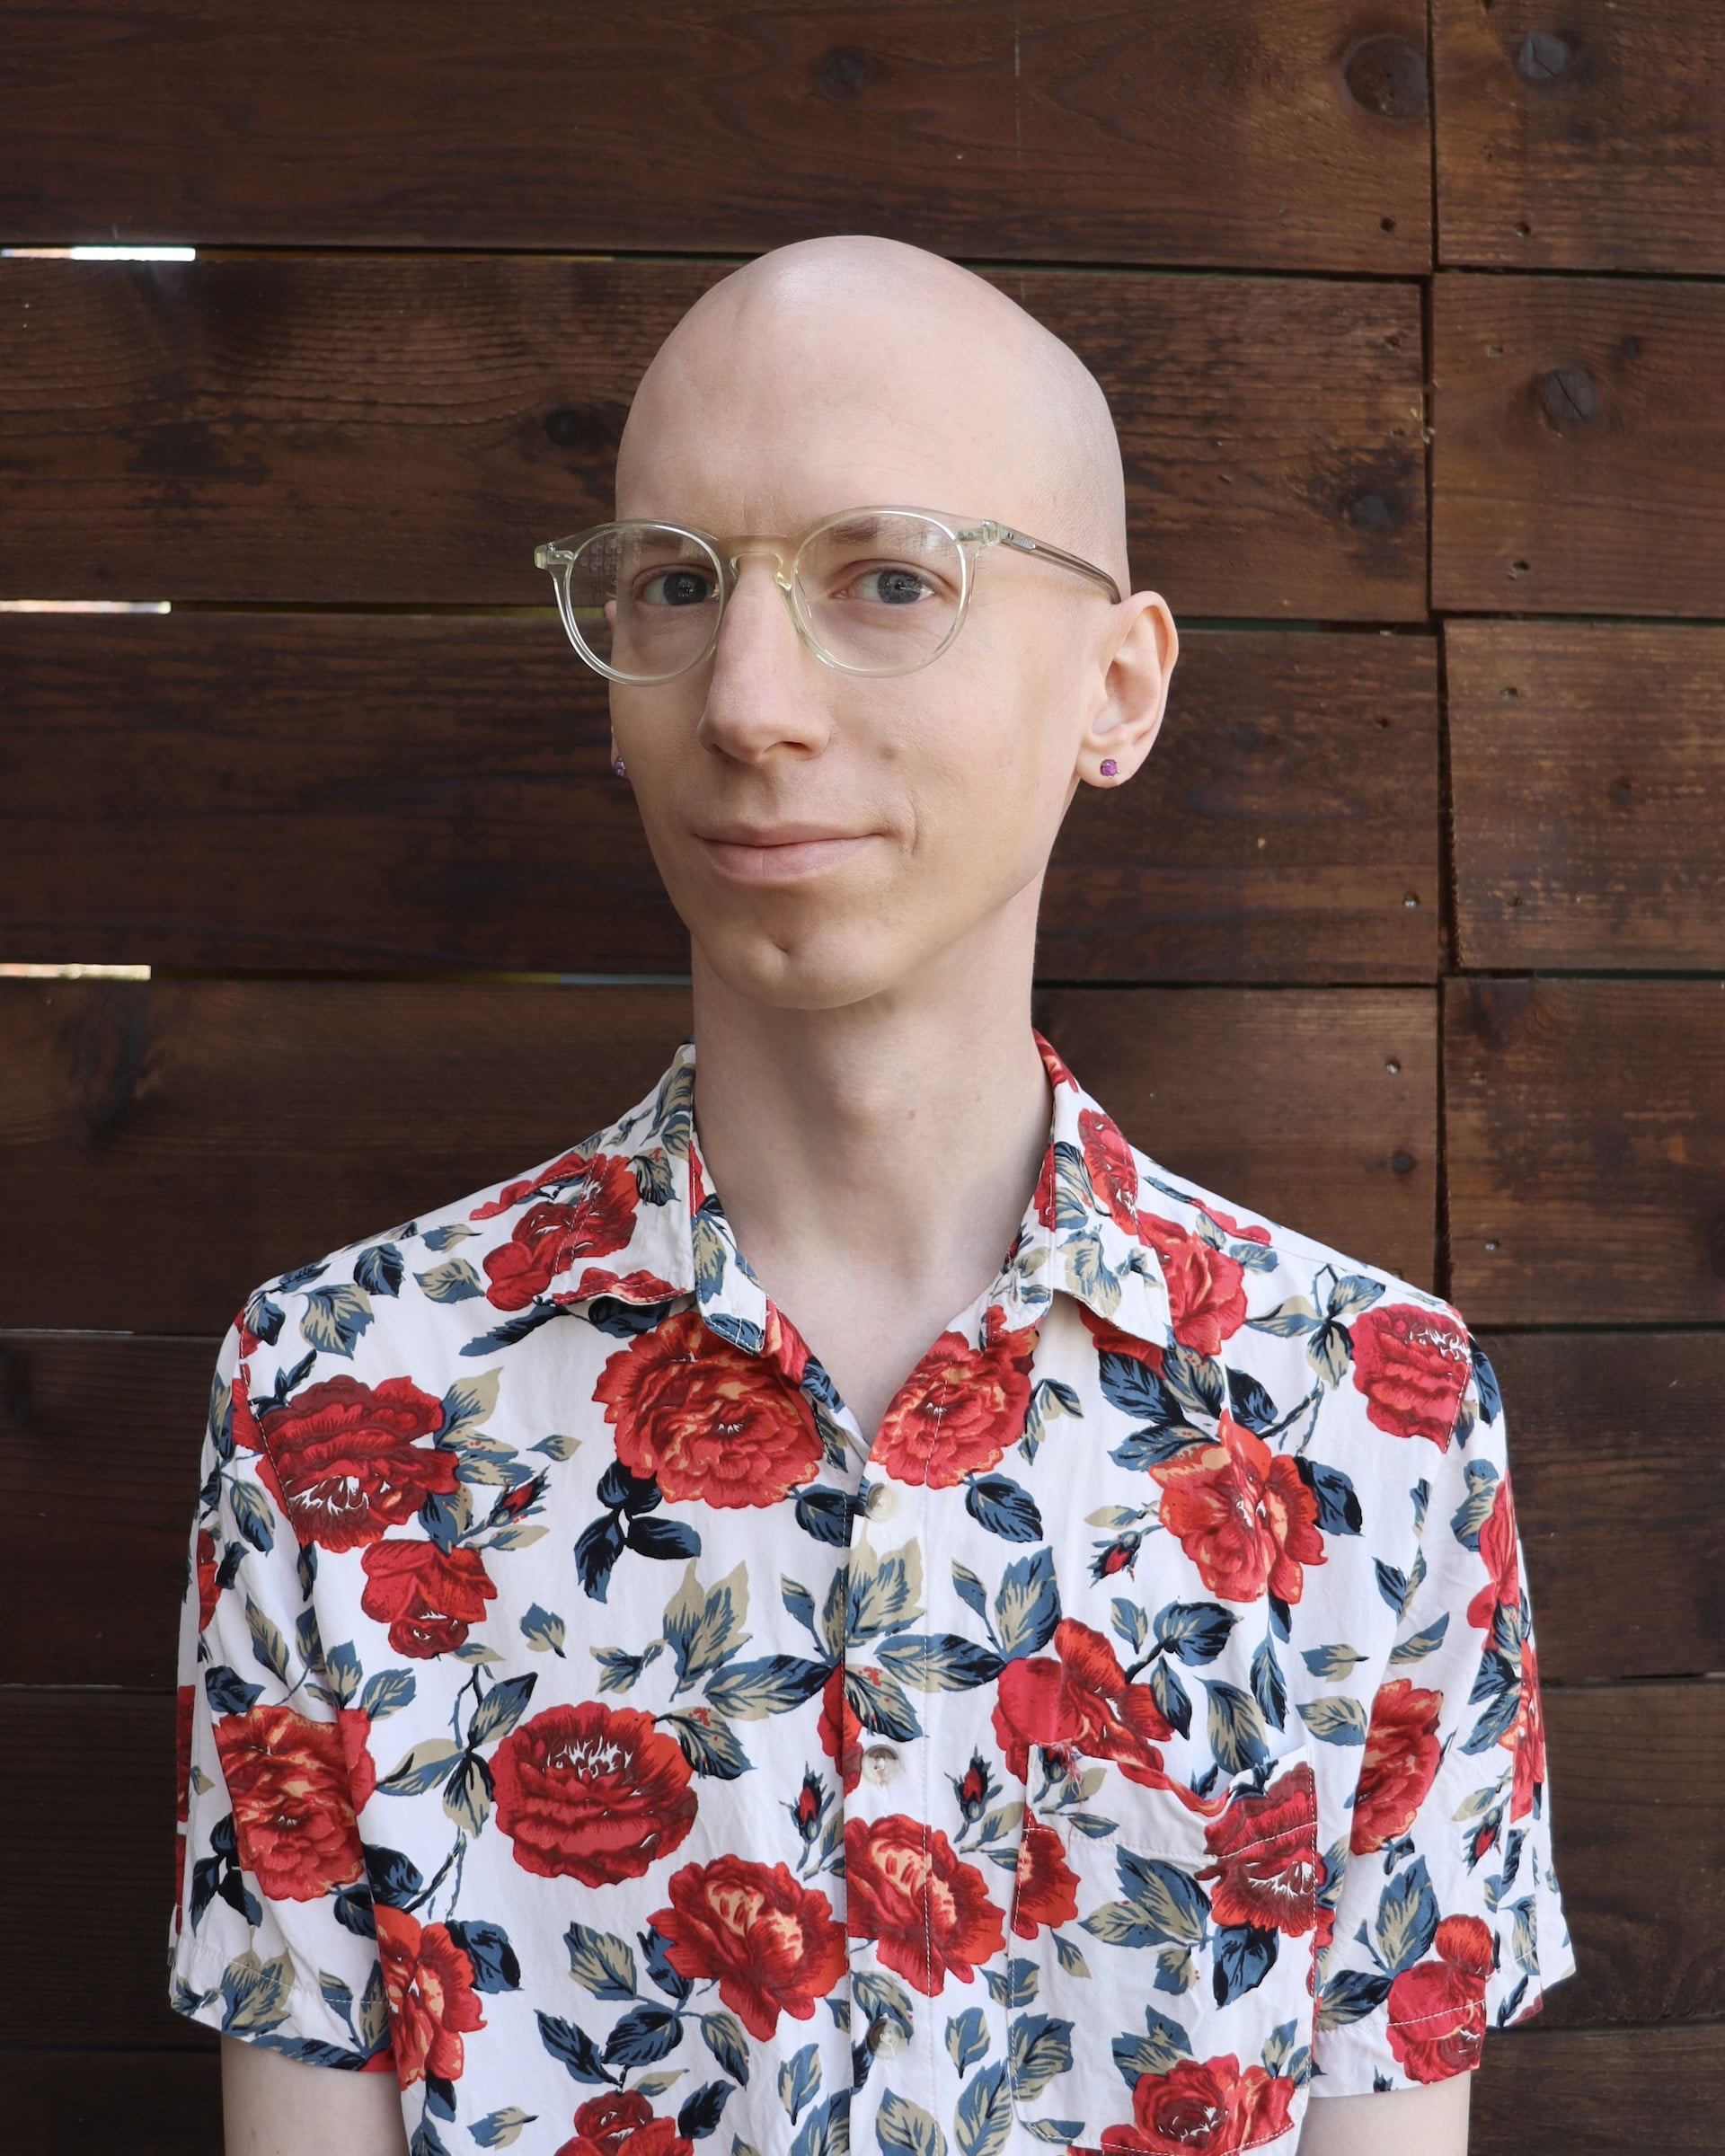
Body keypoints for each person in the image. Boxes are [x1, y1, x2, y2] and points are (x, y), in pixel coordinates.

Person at [170, 236, 1572, 2156]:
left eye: (888, 580)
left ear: (1119, 684)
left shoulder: (1374, 1423)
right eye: (676, 584)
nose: (749, 699)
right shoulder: (339, 1401)